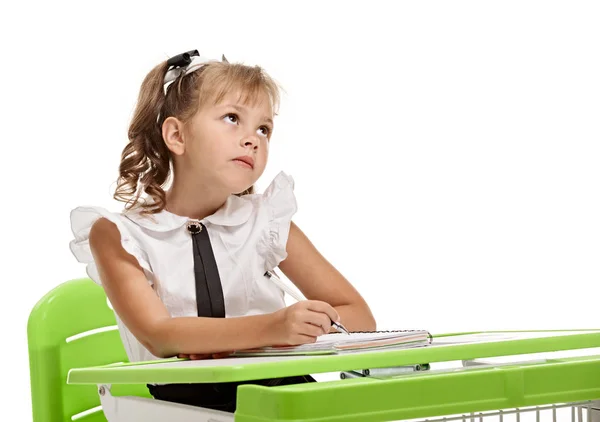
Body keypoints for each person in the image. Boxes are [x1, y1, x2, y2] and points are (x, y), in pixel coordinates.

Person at [69, 49, 376, 413]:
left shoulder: (268, 223)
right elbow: (161, 334)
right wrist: (271, 328)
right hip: (181, 411)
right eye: (232, 118)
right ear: (177, 136)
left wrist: (296, 328)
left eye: (264, 129)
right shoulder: (118, 234)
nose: (253, 139)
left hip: (282, 397)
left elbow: (359, 316)